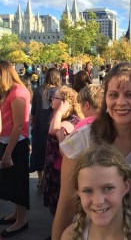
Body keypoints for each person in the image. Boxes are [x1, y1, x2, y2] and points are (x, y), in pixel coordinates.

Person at [52, 62, 131, 240]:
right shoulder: (83, 139)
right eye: (113, 95)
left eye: (130, 94)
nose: (120, 102)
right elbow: (66, 202)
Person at [61, 144, 131, 240]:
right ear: (78, 191)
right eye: (87, 191)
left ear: (126, 186)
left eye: (108, 188)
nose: (98, 201)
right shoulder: (69, 236)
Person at [0, 60, 30, 238]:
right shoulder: (10, 91)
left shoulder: (18, 92)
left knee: (18, 182)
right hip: (9, 140)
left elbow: (19, 125)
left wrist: (8, 153)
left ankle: (22, 220)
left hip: (16, 143)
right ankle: (17, 214)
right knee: (11, 181)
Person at [42, 86, 83, 216]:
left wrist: (60, 111)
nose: (51, 99)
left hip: (60, 172)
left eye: (55, 97)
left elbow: (53, 132)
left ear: (65, 102)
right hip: (56, 169)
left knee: (59, 208)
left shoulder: (70, 120)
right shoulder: (64, 118)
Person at [29, 68, 61, 189]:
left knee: (39, 153)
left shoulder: (38, 90)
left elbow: (33, 113)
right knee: (52, 154)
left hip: (39, 127)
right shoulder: (60, 91)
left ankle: (40, 179)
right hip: (54, 127)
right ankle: (49, 180)